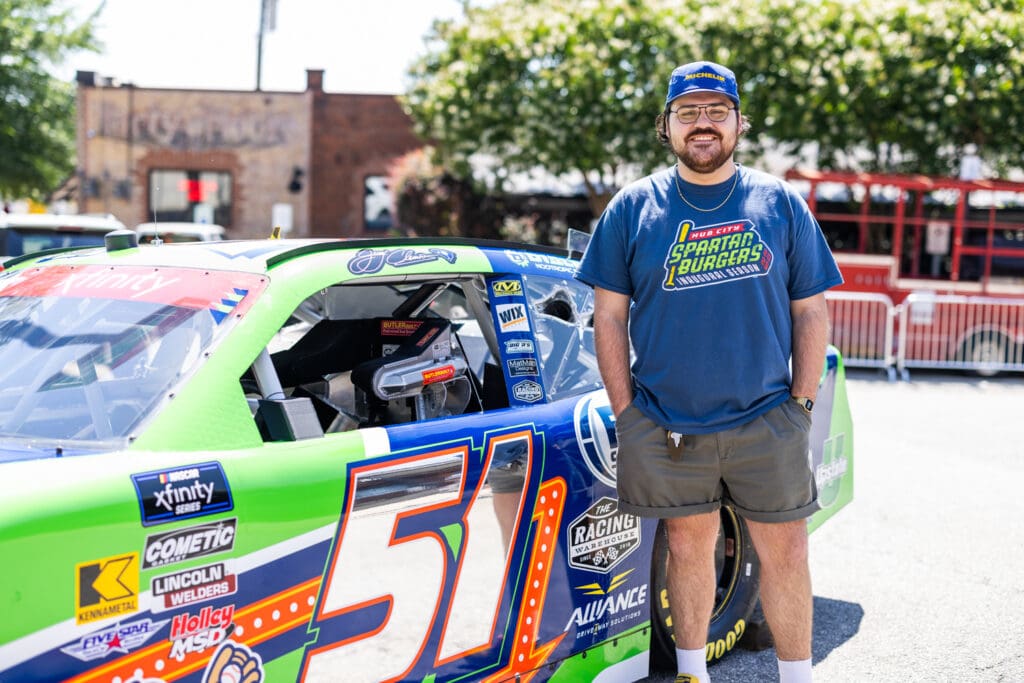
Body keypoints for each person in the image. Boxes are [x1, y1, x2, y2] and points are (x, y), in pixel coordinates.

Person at [575, 61, 842, 683]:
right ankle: (693, 675)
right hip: (667, 422)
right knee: (688, 548)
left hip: (765, 418)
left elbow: (811, 312)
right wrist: (626, 411)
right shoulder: (632, 207)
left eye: (716, 111)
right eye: (687, 112)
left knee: (786, 551)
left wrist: (799, 407)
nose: (702, 124)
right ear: (665, 126)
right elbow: (608, 318)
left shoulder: (778, 203)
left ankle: (797, 678)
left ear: (739, 123)